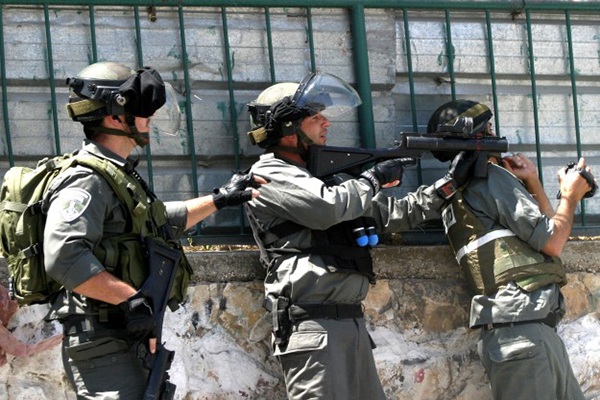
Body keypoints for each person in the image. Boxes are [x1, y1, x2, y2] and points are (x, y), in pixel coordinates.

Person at [244, 72, 477, 399]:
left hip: (350, 323)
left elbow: (392, 213)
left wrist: (448, 185)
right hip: (312, 325)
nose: (326, 122)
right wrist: (373, 179)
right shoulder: (268, 173)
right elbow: (327, 207)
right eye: (315, 116)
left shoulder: (328, 179)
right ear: (288, 127)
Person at [43, 61, 265, 399]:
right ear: (115, 116)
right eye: (142, 109)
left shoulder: (115, 173)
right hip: (103, 339)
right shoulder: (86, 178)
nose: (151, 118)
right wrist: (133, 301)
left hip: (125, 333)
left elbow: (158, 222)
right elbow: (64, 256)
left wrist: (220, 199)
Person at [428, 99, 595, 400]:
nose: (496, 136)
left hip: (528, 332)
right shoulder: (490, 178)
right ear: (478, 138)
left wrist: (532, 182)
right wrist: (569, 196)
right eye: (489, 129)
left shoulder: (455, 192)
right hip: (523, 332)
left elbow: (546, 232)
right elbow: (553, 242)